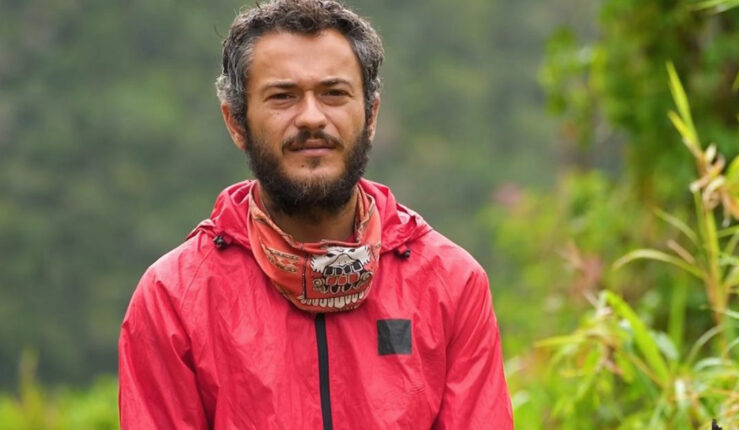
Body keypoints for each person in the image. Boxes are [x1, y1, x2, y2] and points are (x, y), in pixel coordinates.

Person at [118, 0, 514, 428]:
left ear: (371, 115)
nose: (311, 117)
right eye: (283, 97)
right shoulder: (175, 299)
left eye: (334, 94)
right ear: (236, 123)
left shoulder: (449, 285)